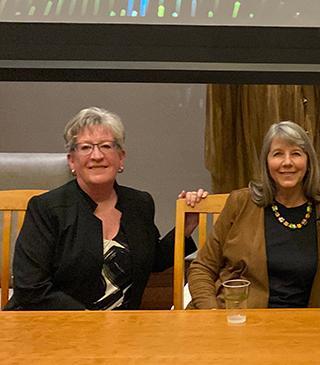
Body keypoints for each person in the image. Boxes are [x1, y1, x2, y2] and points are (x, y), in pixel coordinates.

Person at [6, 107, 204, 310]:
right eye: (85, 148)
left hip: (120, 331)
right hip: (54, 326)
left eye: (106, 146)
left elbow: (151, 260)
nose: (97, 155)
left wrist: (185, 227)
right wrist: (92, 323)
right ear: (72, 160)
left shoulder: (140, 203)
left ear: (121, 157)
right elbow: (30, 288)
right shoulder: (46, 208)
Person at [187, 121, 320, 309]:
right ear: (266, 162)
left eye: (296, 154)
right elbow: (203, 268)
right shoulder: (240, 203)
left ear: (309, 162)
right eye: (278, 154)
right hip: (242, 323)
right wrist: (212, 315)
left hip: (310, 327)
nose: (287, 162)